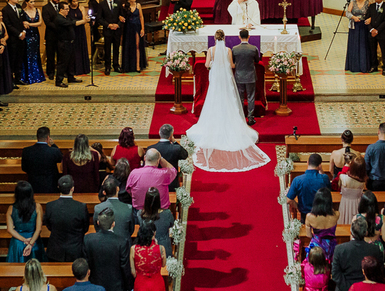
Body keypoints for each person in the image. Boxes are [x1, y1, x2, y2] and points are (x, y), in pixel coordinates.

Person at [187, 30, 271, 171]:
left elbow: (207, 65)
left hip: (215, 78)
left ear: (214, 38)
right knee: (228, 98)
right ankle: (231, 119)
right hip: (226, 78)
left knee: (214, 98)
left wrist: (214, 62)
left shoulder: (210, 50)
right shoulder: (228, 50)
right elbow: (232, 66)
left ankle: (215, 120)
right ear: (224, 38)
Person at [330, 215, 384, 291]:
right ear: (366, 233)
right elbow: (380, 273)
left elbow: (336, 275)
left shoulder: (340, 249)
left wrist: (350, 290)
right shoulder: (374, 249)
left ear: (351, 232)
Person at [86, 209, 132, 291]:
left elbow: (86, 263)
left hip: (95, 286)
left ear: (98, 223)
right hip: (116, 290)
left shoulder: (88, 239)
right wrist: (129, 288)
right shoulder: (122, 242)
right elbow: (125, 267)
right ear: (113, 224)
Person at [44, 175, 89, 263]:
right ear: (72, 188)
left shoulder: (50, 206)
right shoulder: (81, 207)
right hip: (76, 250)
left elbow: (49, 226)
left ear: (58, 187)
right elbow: (85, 228)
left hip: (55, 251)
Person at [6, 181, 44, 262]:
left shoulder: (11, 208)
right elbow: (39, 229)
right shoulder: (37, 207)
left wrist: (24, 240)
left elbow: (10, 229)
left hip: (18, 242)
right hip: (34, 240)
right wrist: (31, 243)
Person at [287, 153, 331, 219]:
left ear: (307, 163)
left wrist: (298, 206)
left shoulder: (297, 180)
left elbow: (289, 200)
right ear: (319, 165)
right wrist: (320, 170)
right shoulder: (324, 178)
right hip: (321, 215)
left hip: (305, 214)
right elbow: (328, 190)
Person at [131, 224, 166, 291]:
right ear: (153, 234)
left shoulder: (133, 249)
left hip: (141, 287)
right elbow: (163, 264)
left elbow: (133, 272)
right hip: (157, 286)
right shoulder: (161, 248)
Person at [300, 187, 338, 261]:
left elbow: (308, 235)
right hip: (331, 246)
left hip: (317, 247)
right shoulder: (336, 214)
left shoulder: (309, 216)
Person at [21, 127, 63, 194]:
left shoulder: (27, 151)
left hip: (33, 185)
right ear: (48, 138)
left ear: (37, 137)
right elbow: (60, 158)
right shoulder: (54, 151)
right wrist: (53, 145)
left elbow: (24, 168)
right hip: (51, 186)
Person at [50, 1, 82, 86]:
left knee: (71, 61)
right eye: (66, 9)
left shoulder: (66, 17)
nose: (68, 10)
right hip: (63, 43)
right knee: (63, 63)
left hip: (70, 43)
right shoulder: (58, 18)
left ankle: (70, 77)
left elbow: (73, 20)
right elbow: (72, 23)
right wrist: (84, 21)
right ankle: (59, 81)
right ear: (61, 10)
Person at [95, 174, 136, 239]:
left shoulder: (98, 208)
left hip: (104, 241)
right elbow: (131, 229)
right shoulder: (128, 208)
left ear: (104, 192)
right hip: (123, 242)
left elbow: (97, 229)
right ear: (118, 189)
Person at [2, 0, 28, 87]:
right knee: (13, 59)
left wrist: (24, 31)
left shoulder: (19, 7)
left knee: (19, 59)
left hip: (21, 37)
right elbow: (8, 25)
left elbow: (23, 19)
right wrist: (18, 34)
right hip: (13, 39)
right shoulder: (5, 10)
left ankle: (18, 78)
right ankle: (11, 80)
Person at [139, 187, 175, 256]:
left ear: (146, 200)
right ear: (158, 201)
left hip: (146, 249)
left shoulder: (140, 214)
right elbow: (171, 224)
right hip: (163, 248)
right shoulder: (167, 213)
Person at [18, 0, 46, 84]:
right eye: (31, 2)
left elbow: (40, 23)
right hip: (27, 35)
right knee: (27, 54)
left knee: (35, 53)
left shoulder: (38, 10)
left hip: (35, 34)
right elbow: (22, 23)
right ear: (26, 2)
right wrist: (25, 24)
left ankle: (37, 75)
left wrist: (29, 24)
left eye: (34, 1)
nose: (33, 3)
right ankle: (27, 76)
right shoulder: (23, 11)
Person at [97, 0, 122, 75]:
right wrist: (108, 25)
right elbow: (99, 18)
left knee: (116, 48)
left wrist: (117, 25)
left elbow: (122, 17)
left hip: (116, 30)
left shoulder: (118, 3)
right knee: (107, 49)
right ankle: (107, 66)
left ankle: (116, 65)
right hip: (107, 30)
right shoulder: (102, 4)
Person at [119, 0, 147, 72]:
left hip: (137, 27)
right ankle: (128, 65)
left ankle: (138, 65)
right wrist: (120, 17)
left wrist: (142, 28)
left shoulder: (138, 5)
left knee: (137, 45)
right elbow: (120, 16)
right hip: (128, 28)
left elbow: (141, 17)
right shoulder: (124, 6)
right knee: (128, 46)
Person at [344, 0, 371, 73]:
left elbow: (371, 13)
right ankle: (354, 66)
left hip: (364, 26)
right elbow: (347, 13)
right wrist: (353, 17)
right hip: (354, 26)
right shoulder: (352, 3)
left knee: (363, 45)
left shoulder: (367, 3)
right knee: (354, 44)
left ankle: (363, 66)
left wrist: (369, 19)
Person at [365, 0, 385, 74]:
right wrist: (371, 29)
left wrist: (377, 30)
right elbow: (367, 18)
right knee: (372, 50)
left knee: (384, 50)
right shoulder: (371, 6)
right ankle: (374, 66)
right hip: (372, 32)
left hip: (382, 32)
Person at [66, 0, 91, 77]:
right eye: (74, 1)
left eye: (77, 1)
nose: (76, 3)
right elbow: (71, 22)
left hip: (80, 31)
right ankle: (74, 69)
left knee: (81, 48)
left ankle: (83, 68)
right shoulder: (68, 9)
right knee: (73, 50)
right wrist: (83, 21)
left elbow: (84, 19)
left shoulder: (81, 8)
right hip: (72, 31)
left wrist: (85, 20)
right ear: (70, 1)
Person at [338, 155, 367, 225]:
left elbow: (339, 186)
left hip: (345, 203)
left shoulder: (342, 177)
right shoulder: (363, 182)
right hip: (356, 204)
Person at [43, 0, 61, 80]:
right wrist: (58, 27)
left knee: (60, 54)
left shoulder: (61, 6)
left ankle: (60, 71)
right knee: (50, 55)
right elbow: (47, 22)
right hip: (51, 35)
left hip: (61, 35)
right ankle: (50, 72)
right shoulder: (46, 8)